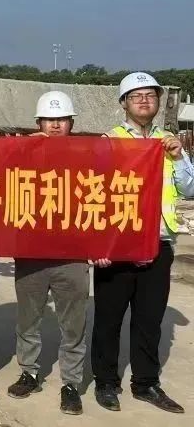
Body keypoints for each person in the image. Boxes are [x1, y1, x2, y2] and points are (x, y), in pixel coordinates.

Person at [91, 72, 193, 414]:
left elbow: (189, 189)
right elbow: (95, 193)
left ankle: (146, 383)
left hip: (159, 241)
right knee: (109, 318)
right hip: (118, 243)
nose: (144, 101)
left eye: (150, 95)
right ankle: (106, 382)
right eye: (136, 96)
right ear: (124, 103)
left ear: (158, 101)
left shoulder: (169, 143)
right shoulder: (110, 141)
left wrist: (179, 157)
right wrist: (98, 244)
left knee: (149, 319)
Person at [6, 91, 87, 414]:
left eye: (61, 120)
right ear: (38, 123)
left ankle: (71, 383)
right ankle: (29, 372)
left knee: (73, 325)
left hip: (72, 255)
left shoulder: (84, 156)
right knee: (28, 320)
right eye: (49, 120)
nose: (55, 125)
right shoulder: (23, 153)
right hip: (32, 252)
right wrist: (22, 148)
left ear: (71, 124)